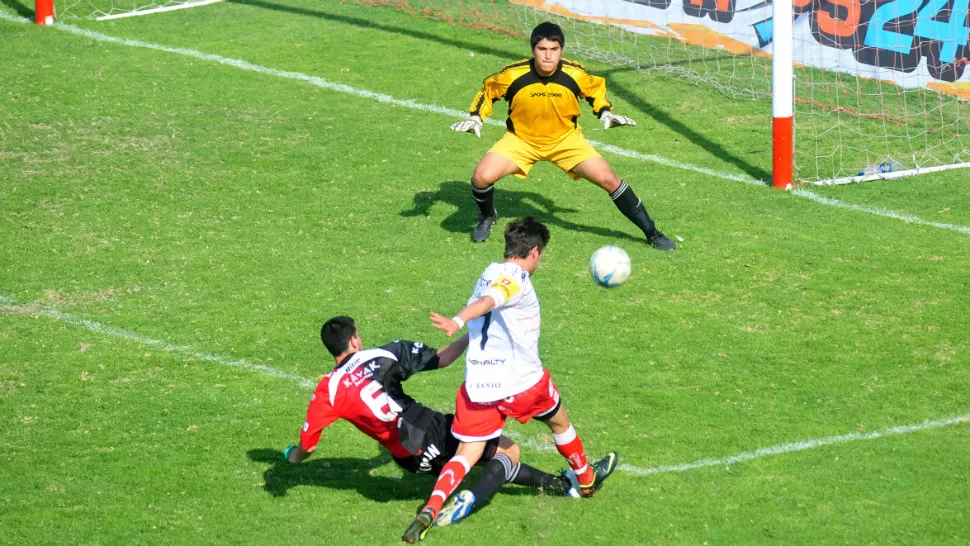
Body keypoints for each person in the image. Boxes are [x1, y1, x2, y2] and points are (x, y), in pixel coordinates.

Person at [402, 218, 618, 543]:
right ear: (533, 251)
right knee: (559, 423)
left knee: (465, 454)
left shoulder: (487, 272)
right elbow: (490, 302)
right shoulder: (514, 279)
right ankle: (586, 480)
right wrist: (457, 321)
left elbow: (484, 311)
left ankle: (430, 509)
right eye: (541, 254)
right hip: (522, 381)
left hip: (478, 386)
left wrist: (461, 330)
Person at [283, 316, 577, 522]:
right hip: (429, 429)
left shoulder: (328, 390)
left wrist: (292, 458)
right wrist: (472, 334)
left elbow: (307, 446)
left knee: (486, 457)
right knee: (508, 449)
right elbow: (443, 358)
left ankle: (561, 486)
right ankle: (473, 498)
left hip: (409, 460)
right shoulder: (384, 354)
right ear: (354, 339)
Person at [450, 21, 675, 251]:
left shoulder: (574, 73)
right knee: (481, 177)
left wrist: (605, 112)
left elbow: (595, 88)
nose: (548, 56)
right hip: (521, 141)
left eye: (554, 50)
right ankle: (487, 216)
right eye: (542, 49)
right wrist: (476, 117)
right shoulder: (513, 75)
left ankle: (653, 233)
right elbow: (488, 90)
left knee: (610, 180)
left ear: (561, 50)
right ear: (533, 50)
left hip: (566, 141)